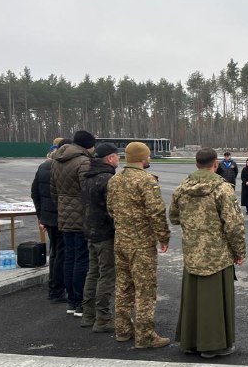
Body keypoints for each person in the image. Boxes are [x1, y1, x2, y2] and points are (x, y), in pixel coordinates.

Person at [170, 147, 246, 358]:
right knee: (214, 299)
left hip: (193, 251)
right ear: (215, 164)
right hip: (217, 254)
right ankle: (213, 345)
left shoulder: (182, 188)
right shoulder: (222, 189)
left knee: (193, 298)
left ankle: (190, 342)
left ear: (196, 164)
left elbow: (174, 218)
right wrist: (239, 251)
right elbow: (233, 224)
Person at [106, 141, 170, 348]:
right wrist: (163, 237)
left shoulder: (115, 180)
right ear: (143, 158)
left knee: (123, 286)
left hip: (121, 240)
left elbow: (110, 209)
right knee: (145, 289)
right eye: (148, 156)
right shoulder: (146, 180)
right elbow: (156, 212)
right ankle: (145, 335)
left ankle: (123, 330)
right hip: (141, 244)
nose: (149, 159)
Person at [50, 129, 95, 316]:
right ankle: (79, 301)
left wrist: (62, 207)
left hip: (63, 214)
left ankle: (71, 301)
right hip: (81, 216)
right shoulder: (83, 162)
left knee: (69, 258)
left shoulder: (56, 160)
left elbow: (53, 190)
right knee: (82, 259)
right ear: (87, 145)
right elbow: (88, 191)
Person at [80, 143, 119, 332]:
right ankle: (103, 318)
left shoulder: (88, 177)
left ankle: (89, 314)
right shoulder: (107, 179)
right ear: (110, 159)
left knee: (93, 273)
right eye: (117, 156)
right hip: (105, 233)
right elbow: (112, 209)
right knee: (107, 275)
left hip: (91, 231)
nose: (118, 160)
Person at [31, 137, 68, 304]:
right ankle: (57, 289)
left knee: (55, 253)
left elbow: (35, 193)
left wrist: (41, 216)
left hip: (49, 217)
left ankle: (54, 288)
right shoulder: (61, 167)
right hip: (62, 216)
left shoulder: (44, 166)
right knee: (62, 253)